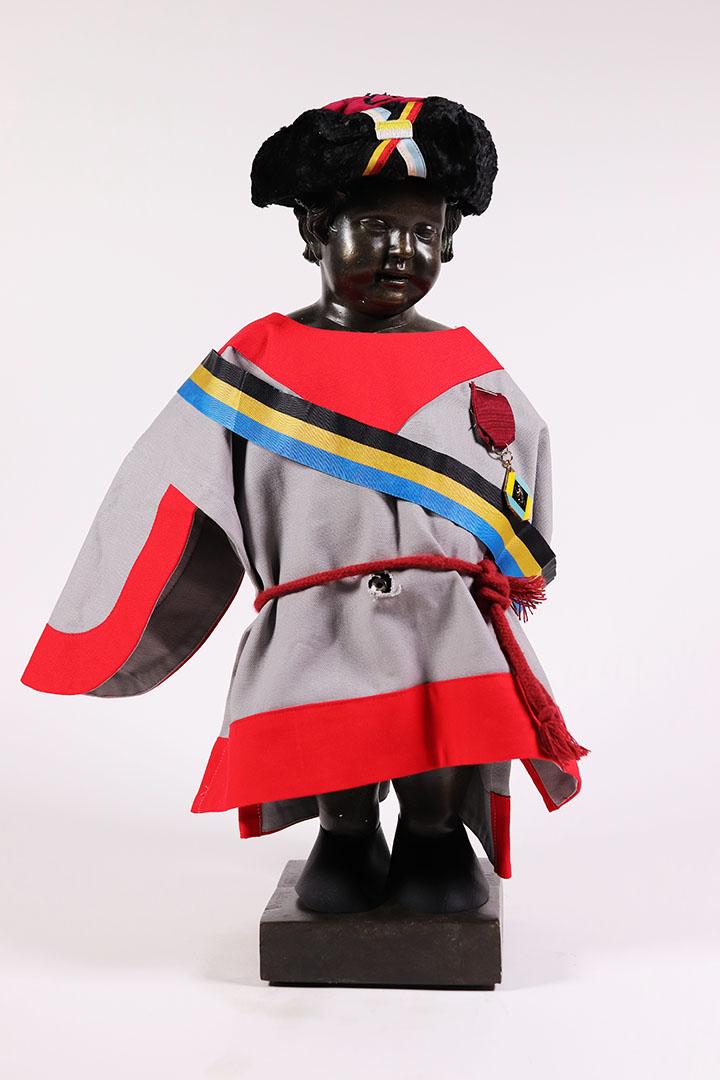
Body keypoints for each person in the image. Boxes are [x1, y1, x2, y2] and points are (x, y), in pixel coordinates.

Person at [22, 93, 587, 917]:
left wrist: (504, 570)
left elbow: (518, 473)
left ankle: (433, 845)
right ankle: (345, 840)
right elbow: (171, 481)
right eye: (375, 227)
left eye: (422, 231)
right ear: (316, 230)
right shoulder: (254, 367)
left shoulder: (471, 368)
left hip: (443, 614)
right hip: (317, 610)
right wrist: (106, 621)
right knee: (337, 757)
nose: (400, 251)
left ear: (449, 242)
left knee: (441, 759)